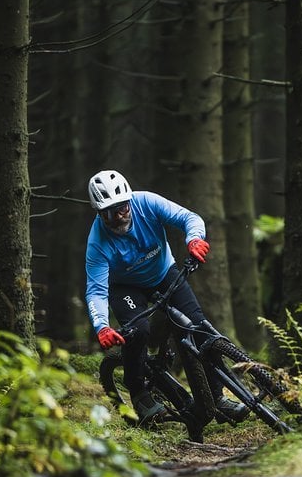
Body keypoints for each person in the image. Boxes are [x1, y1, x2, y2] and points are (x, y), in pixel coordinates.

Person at [84, 169, 249, 426]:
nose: (119, 215)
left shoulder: (147, 203)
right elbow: (96, 290)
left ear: (129, 201)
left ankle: (217, 397)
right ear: (99, 213)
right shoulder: (97, 242)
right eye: (109, 212)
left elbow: (188, 217)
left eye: (122, 207)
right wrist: (102, 326)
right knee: (138, 331)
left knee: (198, 327)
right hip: (125, 288)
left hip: (163, 273)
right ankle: (139, 392)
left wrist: (194, 239)